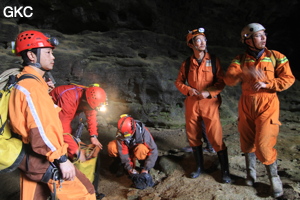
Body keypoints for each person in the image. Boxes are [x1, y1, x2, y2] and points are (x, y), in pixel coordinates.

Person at [9, 30, 96, 199]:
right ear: (32, 56)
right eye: (48, 52)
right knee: (85, 192)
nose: (53, 57)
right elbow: (39, 131)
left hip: (27, 157)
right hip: (43, 157)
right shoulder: (32, 88)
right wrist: (62, 160)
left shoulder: (29, 83)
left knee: (33, 196)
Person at [223, 23, 295, 198]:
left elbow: (288, 79)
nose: (263, 38)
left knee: (263, 145)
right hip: (246, 104)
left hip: (268, 104)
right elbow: (229, 79)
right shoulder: (240, 59)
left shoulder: (276, 57)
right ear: (247, 40)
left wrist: (268, 83)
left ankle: (274, 178)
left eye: (264, 35)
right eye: (258, 35)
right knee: (247, 141)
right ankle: (250, 174)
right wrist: (244, 73)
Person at [174, 27, 231, 183]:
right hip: (192, 102)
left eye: (204, 40)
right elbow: (178, 82)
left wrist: (209, 92)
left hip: (209, 103)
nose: (202, 43)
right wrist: (188, 90)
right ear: (191, 44)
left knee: (216, 135)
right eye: (198, 40)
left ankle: (225, 171)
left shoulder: (213, 60)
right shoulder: (187, 63)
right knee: (193, 135)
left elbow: (221, 81)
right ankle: (199, 167)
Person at [49, 83, 107, 161]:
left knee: (70, 140)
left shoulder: (88, 96)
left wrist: (93, 136)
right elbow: (63, 129)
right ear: (86, 102)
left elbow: (91, 115)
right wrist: (76, 151)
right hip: (49, 117)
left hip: (64, 116)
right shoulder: (69, 98)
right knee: (62, 140)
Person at [107, 115, 158, 188]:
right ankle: (119, 164)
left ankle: (142, 168)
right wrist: (130, 168)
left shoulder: (143, 131)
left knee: (142, 149)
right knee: (112, 147)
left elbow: (153, 150)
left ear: (133, 129)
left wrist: (146, 168)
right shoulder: (121, 133)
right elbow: (123, 152)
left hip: (136, 150)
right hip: (128, 150)